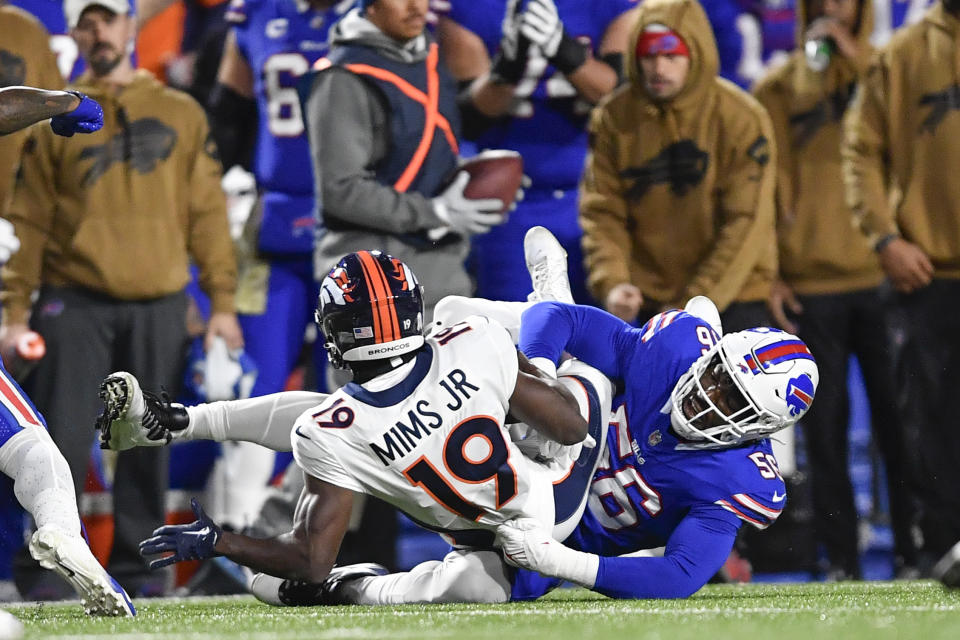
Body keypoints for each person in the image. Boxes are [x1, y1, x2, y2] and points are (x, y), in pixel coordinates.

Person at [102, 228, 818, 603]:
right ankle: (538, 310)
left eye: (730, 403)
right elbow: (574, 376)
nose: (708, 397)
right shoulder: (670, 352)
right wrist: (540, 392)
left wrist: (563, 560)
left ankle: (181, 424)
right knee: (574, 380)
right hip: (546, 467)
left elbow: (681, 575)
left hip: (539, 526)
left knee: (478, 329)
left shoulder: (736, 478)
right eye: (719, 378)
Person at [101, 248, 611, 603]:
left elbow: (309, 560)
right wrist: (507, 378)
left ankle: (550, 308)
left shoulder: (331, 430)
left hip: (523, 509)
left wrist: (221, 542)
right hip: (555, 495)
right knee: (577, 377)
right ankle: (549, 317)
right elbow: (569, 426)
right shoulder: (469, 339)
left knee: (468, 583)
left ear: (333, 331)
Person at [0, 0, 241, 595]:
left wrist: (224, 304)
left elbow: (206, 213)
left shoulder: (180, 111)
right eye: (86, 21)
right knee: (62, 438)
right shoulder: (48, 110)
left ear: (134, 24)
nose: (98, 31)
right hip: (73, 300)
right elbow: (28, 219)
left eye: (109, 18)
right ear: (74, 32)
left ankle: (142, 573)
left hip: (158, 300)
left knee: (148, 446)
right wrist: (15, 308)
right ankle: (46, 574)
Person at [753, 0, 919, 580]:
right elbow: (763, 190)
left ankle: (914, 552)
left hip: (884, 275)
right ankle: (841, 559)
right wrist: (769, 271)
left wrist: (863, 60)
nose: (830, 6)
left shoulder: (890, 71)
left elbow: (916, 147)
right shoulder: (777, 88)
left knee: (903, 425)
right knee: (823, 432)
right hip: (810, 284)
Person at [842, 0, 960, 573]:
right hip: (928, 274)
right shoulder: (902, 56)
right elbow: (860, 151)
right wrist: (886, 240)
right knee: (930, 418)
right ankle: (941, 549)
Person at [303, 0, 507, 324]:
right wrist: (436, 212)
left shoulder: (431, 55)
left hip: (442, 269)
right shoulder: (341, 78)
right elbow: (341, 191)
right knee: (381, 376)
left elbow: (428, 149)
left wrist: (481, 183)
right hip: (371, 279)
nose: (416, 7)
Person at [580, 0, 777, 332]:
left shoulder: (741, 117)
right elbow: (603, 211)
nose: (658, 69)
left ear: (695, 54)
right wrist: (612, 282)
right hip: (648, 305)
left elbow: (745, 223)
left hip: (732, 301)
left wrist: (694, 305)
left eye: (671, 56)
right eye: (648, 56)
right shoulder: (614, 117)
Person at [433, 0, 636, 304]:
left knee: (603, 337)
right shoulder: (471, 9)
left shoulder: (613, 6)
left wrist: (565, 51)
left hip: (600, 198)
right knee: (517, 336)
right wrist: (509, 67)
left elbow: (623, 104)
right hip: (513, 200)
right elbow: (469, 119)